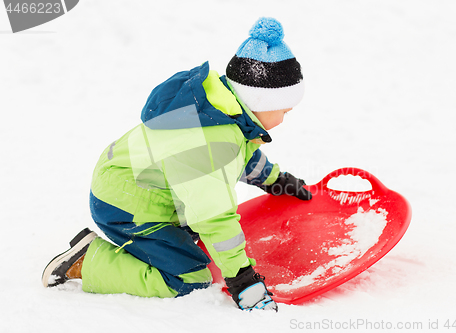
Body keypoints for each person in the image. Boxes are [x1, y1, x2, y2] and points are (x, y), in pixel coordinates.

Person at [42, 17, 311, 312]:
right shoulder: (211, 143)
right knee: (188, 277)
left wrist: (275, 179)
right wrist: (243, 279)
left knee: (193, 239)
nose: (286, 117)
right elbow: (213, 217)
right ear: (259, 100)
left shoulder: (223, 109)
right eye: (285, 109)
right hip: (126, 205)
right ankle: (87, 261)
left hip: (138, 186)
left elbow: (243, 153)